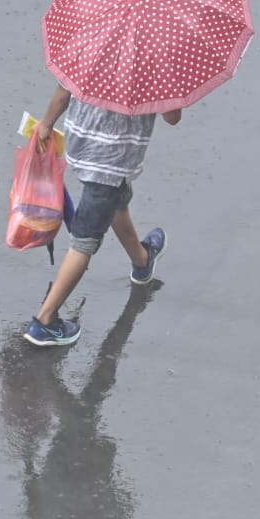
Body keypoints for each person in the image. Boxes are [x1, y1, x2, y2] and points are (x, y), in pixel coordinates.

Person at [24, 84, 182, 346]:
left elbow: (63, 92)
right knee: (84, 241)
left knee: (116, 202)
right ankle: (45, 321)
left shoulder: (91, 44)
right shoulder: (155, 64)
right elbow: (172, 117)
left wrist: (46, 124)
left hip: (82, 145)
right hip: (112, 162)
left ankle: (142, 262)